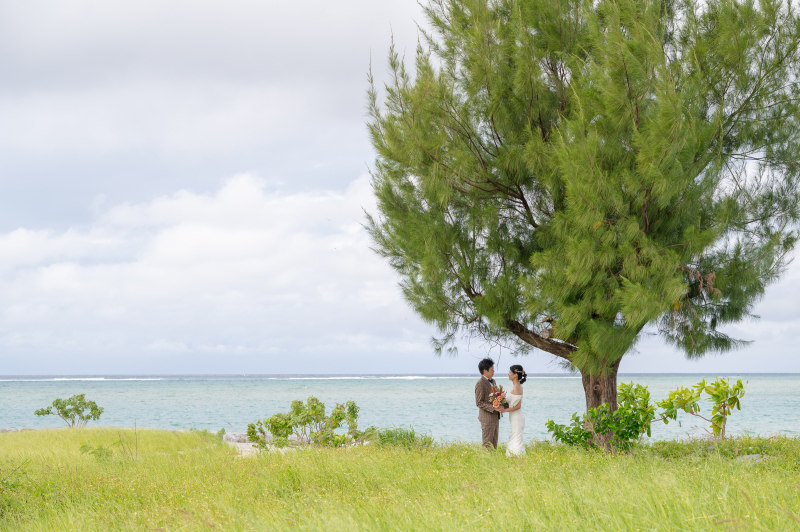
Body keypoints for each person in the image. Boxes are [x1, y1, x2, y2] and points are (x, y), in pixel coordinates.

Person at [496, 364, 526, 457]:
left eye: (510, 372)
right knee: (514, 436)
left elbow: (518, 406)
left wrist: (504, 410)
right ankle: (515, 457)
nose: (508, 374)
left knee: (516, 437)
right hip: (514, 417)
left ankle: (516, 457)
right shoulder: (516, 387)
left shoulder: (517, 388)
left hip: (517, 417)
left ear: (515, 375)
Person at [475, 357, 500, 449]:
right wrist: (493, 407)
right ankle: (485, 461)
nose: (493, 372)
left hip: (495, 416)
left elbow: (495, 397)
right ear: (485, 371)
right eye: (492, 370)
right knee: (487, 443)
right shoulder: (480, 383)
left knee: (494, 442)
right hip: (486, 417)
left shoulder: (493, 381)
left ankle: (493, 462)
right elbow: (479, 402)